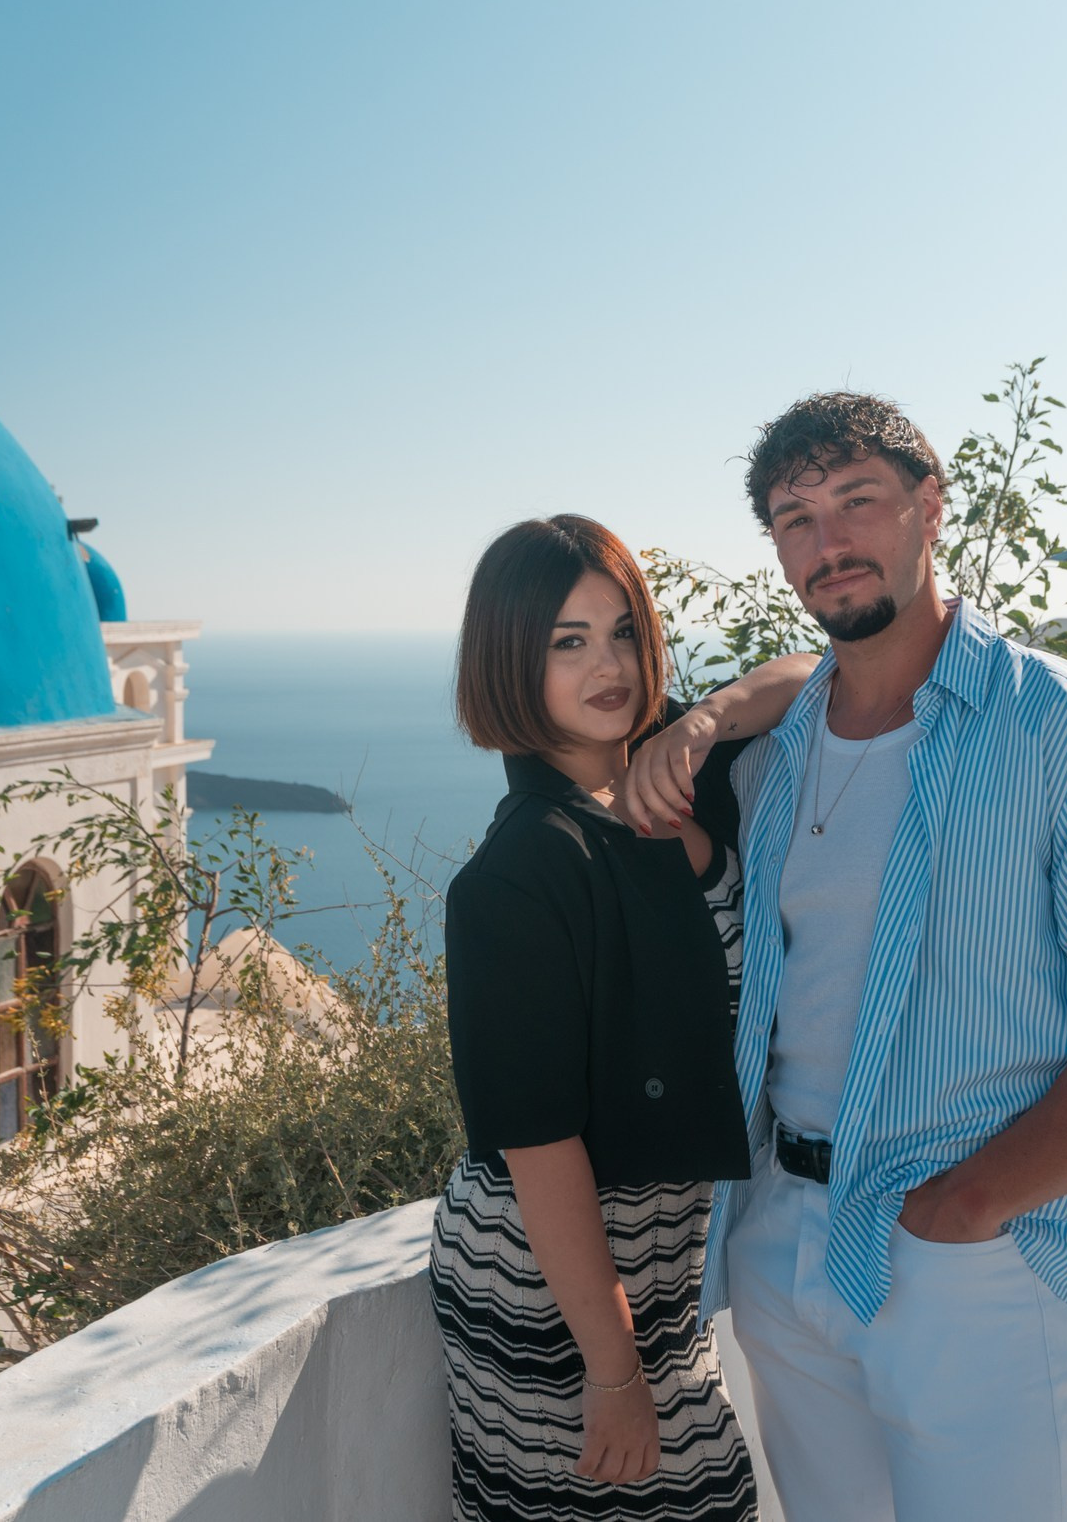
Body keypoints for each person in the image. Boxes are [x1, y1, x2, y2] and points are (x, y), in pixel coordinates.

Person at [705, 394, 1067, 1522]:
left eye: (857, 501)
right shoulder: (774, 760)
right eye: (794, 518)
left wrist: (969, 1208)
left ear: (930, 509)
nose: (827, 541)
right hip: (782, 1238)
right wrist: (702, 720)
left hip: (962, 1261)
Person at [432, 513, 813, 1522]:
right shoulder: (518, 876)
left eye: (623, 632)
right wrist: (610, 1371)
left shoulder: (684, 771)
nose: (608, 665)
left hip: (661, 1272)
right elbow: (538, 1144)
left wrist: (701, 720)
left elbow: (812, 674)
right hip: (551, 1290)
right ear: (511, 661)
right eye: (567, 641)